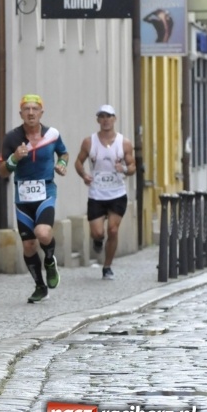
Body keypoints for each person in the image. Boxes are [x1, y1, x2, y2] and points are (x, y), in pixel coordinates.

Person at [0, 94, 68, 304]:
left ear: (41, 113)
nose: (30, 113)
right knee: (29, 245)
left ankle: (49, 260)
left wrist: (62, 164)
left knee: (42, 232)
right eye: (26, 109)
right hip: (23, 197)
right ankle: (40, 286)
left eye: (34, 109)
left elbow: (63, 153)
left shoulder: (52, 134)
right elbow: (2, 171)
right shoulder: (11, 138)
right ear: (20, 114)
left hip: (46, 192)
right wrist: (14, 159)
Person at [74, 104, 135, 280]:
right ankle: (98, 240)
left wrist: (123, 169)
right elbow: (78, 162)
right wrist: (84, 175)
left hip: (117, 193)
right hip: (97, 194)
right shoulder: (89, 142)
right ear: (98, 120)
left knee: (113, 230)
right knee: (98, 232)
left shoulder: (124, 143)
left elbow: (132, 167)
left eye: (109, 116)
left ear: (114, 119)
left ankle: (107, 267)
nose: (106, 120)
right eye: (102, 116)